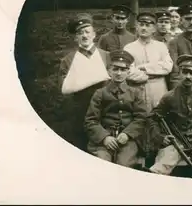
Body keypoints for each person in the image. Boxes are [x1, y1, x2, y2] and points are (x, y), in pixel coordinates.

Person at [84, 50, 148, 168]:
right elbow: (91, 120)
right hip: (103, 141)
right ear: (109, 71)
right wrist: (104, 137)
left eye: (123, 70)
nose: (119, 73)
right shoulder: (100, 93)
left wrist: (127, 134)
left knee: (124, 165)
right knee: (103, 164)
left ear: (128, 72)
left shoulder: (135, 93)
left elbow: (142, 118)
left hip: (127, 140)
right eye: (115, 69)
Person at [59, 13, 111, 152]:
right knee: (81, 143)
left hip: (105, 106)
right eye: (80, 33)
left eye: (87, 32)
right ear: (76, 38)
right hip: (80, 108)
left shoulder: (106, 56)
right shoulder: (68, 60)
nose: (84, 36)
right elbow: (65, 88)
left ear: (94, 34)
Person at [123, 12, 173, 113]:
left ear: (154, 29)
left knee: (159, 118)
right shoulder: (129, 48)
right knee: (140, 118)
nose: (144, 28)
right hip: (137, 89)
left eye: (147, 25)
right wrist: (153, 71)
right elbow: (128, 72)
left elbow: (167, 67)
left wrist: (143, 68)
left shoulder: (161, 46)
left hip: (158, 89)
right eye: (141, 25)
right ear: (136, 27)